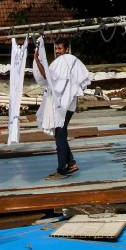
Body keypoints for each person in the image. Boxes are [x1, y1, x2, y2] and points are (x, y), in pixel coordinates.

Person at [33, 37, 89, 179]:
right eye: (56, 49)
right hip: (66, 104)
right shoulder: (65, 61)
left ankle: (62, 167)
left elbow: (48, 76)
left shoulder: (67, 60)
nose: (57, 51)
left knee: (60, 134)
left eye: (60, 49)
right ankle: (71, 163)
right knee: (60, 133)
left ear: (66, 49)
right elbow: (49, 77)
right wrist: (38, 61)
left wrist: (38, 60)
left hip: (65, 104)